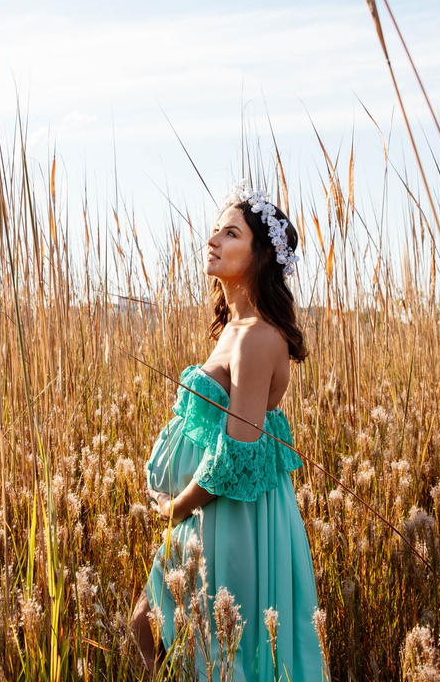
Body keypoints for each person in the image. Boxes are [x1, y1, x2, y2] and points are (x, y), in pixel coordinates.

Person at [129, 182, 326, 680]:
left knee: (214, 649)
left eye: (230, 233)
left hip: (232, 515)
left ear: (260, 256)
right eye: (215, 230)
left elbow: (237, 453)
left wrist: (177, 507)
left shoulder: (257, 337)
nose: (213, 240)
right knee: (152, 629)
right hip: (209, 511)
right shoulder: (233, 331)